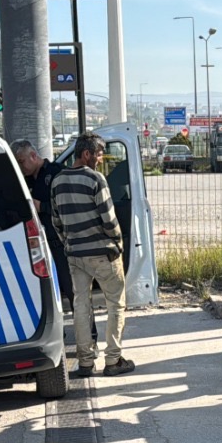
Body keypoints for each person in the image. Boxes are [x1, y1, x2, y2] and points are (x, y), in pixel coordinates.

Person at [49, 132, 134, 378]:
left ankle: (85, 363)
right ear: (86, 154)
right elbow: (109, 218)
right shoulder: (96, 180)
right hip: (103, 254)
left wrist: (70, 244)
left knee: (81, 306)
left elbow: (57, 222)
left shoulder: (57, 182)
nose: (100, 159)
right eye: (98, 154)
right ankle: (113, 360)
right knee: (115, 304)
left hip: (75, 255)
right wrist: (118, 242)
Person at [12, 139, 74, 311]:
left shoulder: (56, 173)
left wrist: (42, 206)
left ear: (33, 156)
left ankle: (87, 333)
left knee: (72, 289)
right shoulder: (26, 181)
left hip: (60, 242)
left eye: (21, 161)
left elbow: (69, 206)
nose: (20, 166)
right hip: (38, 245)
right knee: (46, 292)